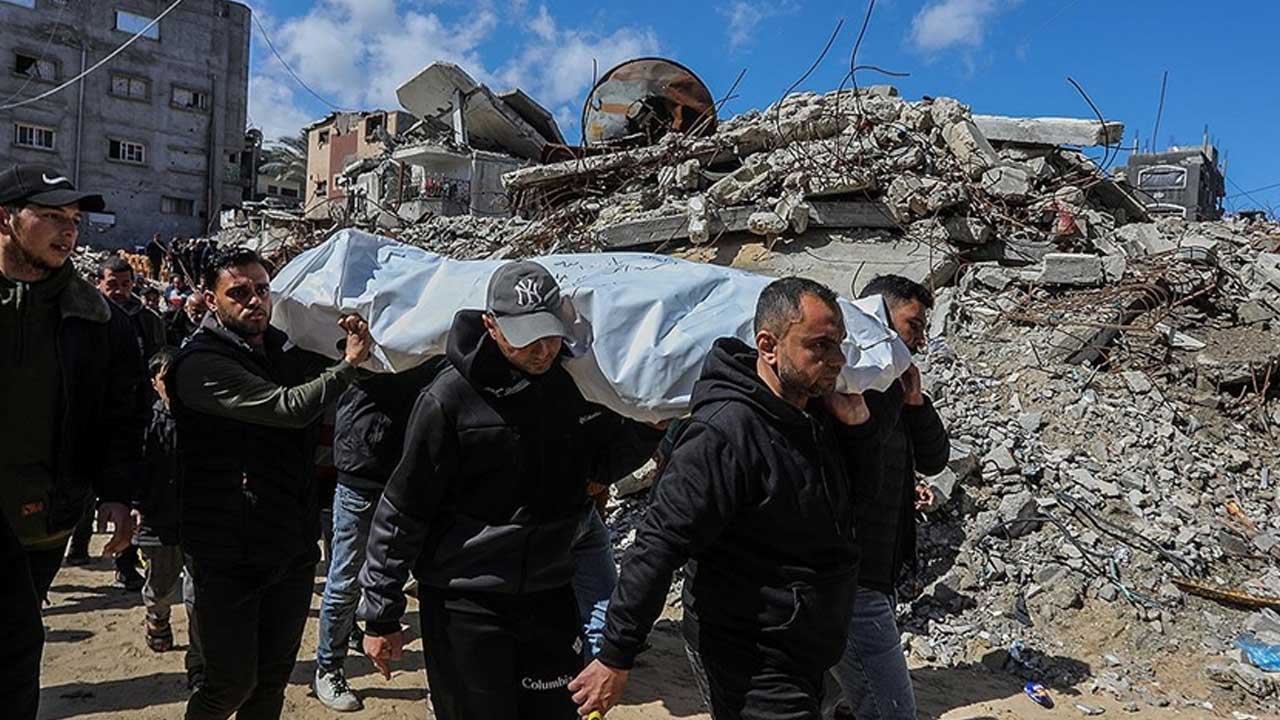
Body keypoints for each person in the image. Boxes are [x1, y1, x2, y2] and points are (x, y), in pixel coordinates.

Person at [358, 261, 660, 719]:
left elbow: (599, 467)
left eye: (550, 336)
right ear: (491, 326)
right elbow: (405, 508)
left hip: (550, 593)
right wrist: (381, 612)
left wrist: (647, 430)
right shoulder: (448, 399)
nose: (541, 350)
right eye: (526, 338)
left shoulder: (576, 385)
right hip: (465, 601)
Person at [572, 277, 879, 720]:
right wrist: (616, 655)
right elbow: (658, 545)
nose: (837, 360)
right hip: (753, 658)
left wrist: (859, 431)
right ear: (768, 346)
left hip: (808, 649)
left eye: (839, 345)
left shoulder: (812, 417)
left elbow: (855, 511)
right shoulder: (722, 434)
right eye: (820, 346)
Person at [169, 246, 372, 720]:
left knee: (271, 682)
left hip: (289, 544)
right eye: (238, 293)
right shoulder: (200, 363)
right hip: (226, 552)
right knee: (229, 685)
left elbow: (321, 363)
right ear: (211, 299)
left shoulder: (281, 347)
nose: (254, 301)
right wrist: (349, 364)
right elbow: (288, 408)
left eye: (262, 290)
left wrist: (346, 333)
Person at [0, 163, 143, 720]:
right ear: (7, 219)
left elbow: (122, 415)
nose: (69, 231)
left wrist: (118, 494)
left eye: (75, 220)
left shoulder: (99, 319)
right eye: (52, 216)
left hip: (46, 515)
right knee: (16, 643)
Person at [830, 275, 950, 720]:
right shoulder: (846, 382)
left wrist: (915, 402)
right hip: (851, 574)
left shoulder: (893, 387)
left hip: (876, 567)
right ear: (878, 316)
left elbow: (934, 458)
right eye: (913, 325)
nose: (919, 340)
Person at [313, 360, 446, 711]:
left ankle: (444, 682)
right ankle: (329, 667)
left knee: (435, 580)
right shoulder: (366, 336)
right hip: (364, 471)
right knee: (346, 579)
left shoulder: (437, 337)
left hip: (418, 473)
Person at [134, 348, 206, 689]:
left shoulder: (204, 419)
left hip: (198, 520)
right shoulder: (144, 422)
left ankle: (199, 663)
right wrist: (135, 505)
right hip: (158, 522)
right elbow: (133, 470)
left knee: (198, 597)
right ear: (154, 383)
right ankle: (157, 617)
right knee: (162, 588)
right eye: (166, 378)